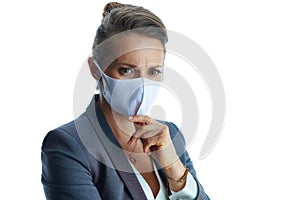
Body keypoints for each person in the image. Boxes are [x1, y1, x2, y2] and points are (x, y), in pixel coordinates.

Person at [41, 2, 210, 200]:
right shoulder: (69, 145)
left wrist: (174, 168)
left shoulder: (170, 135)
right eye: (126, 70)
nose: (142, 84)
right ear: (95, 69)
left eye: (154, 71)